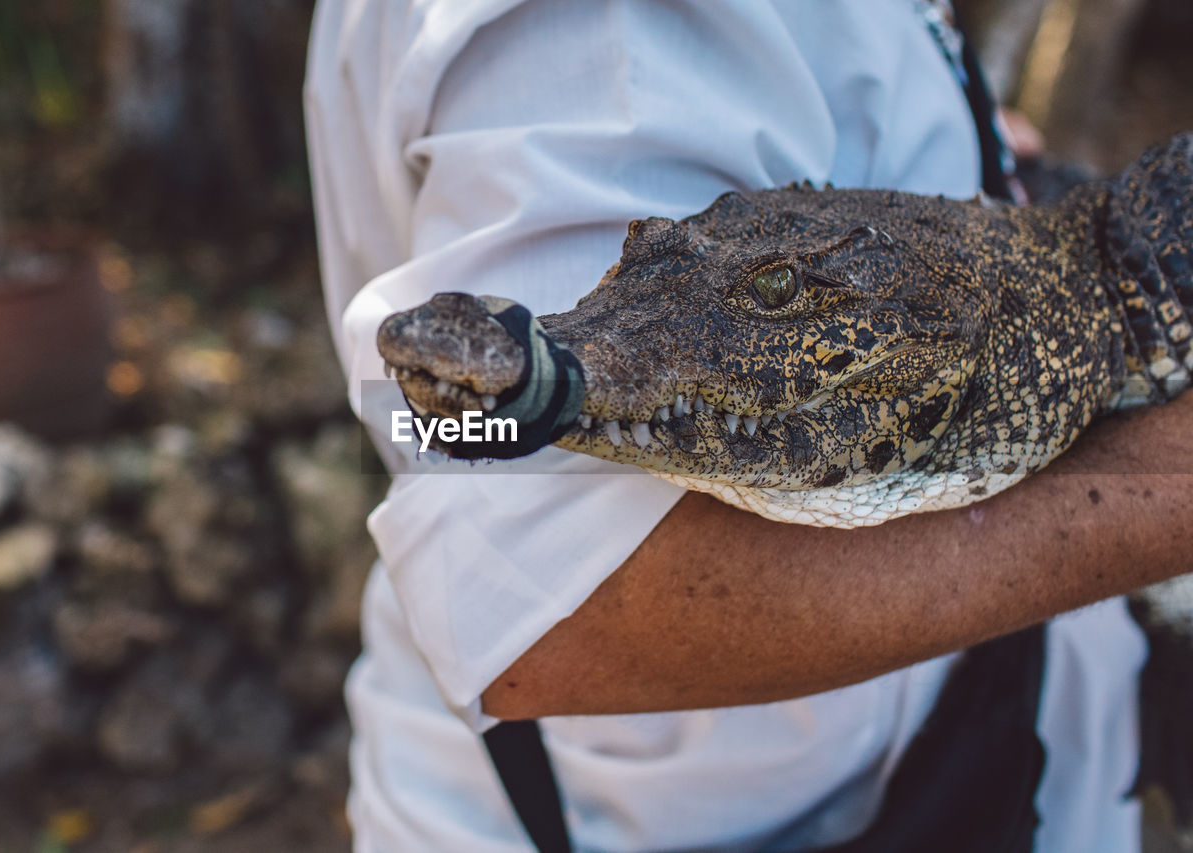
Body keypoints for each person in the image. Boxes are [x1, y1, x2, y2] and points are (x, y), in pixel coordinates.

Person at [304, 1, 1193, 850]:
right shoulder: (611, 30)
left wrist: (967, 150)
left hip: (998, 750)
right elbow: (529, 590)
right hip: (701, 821)